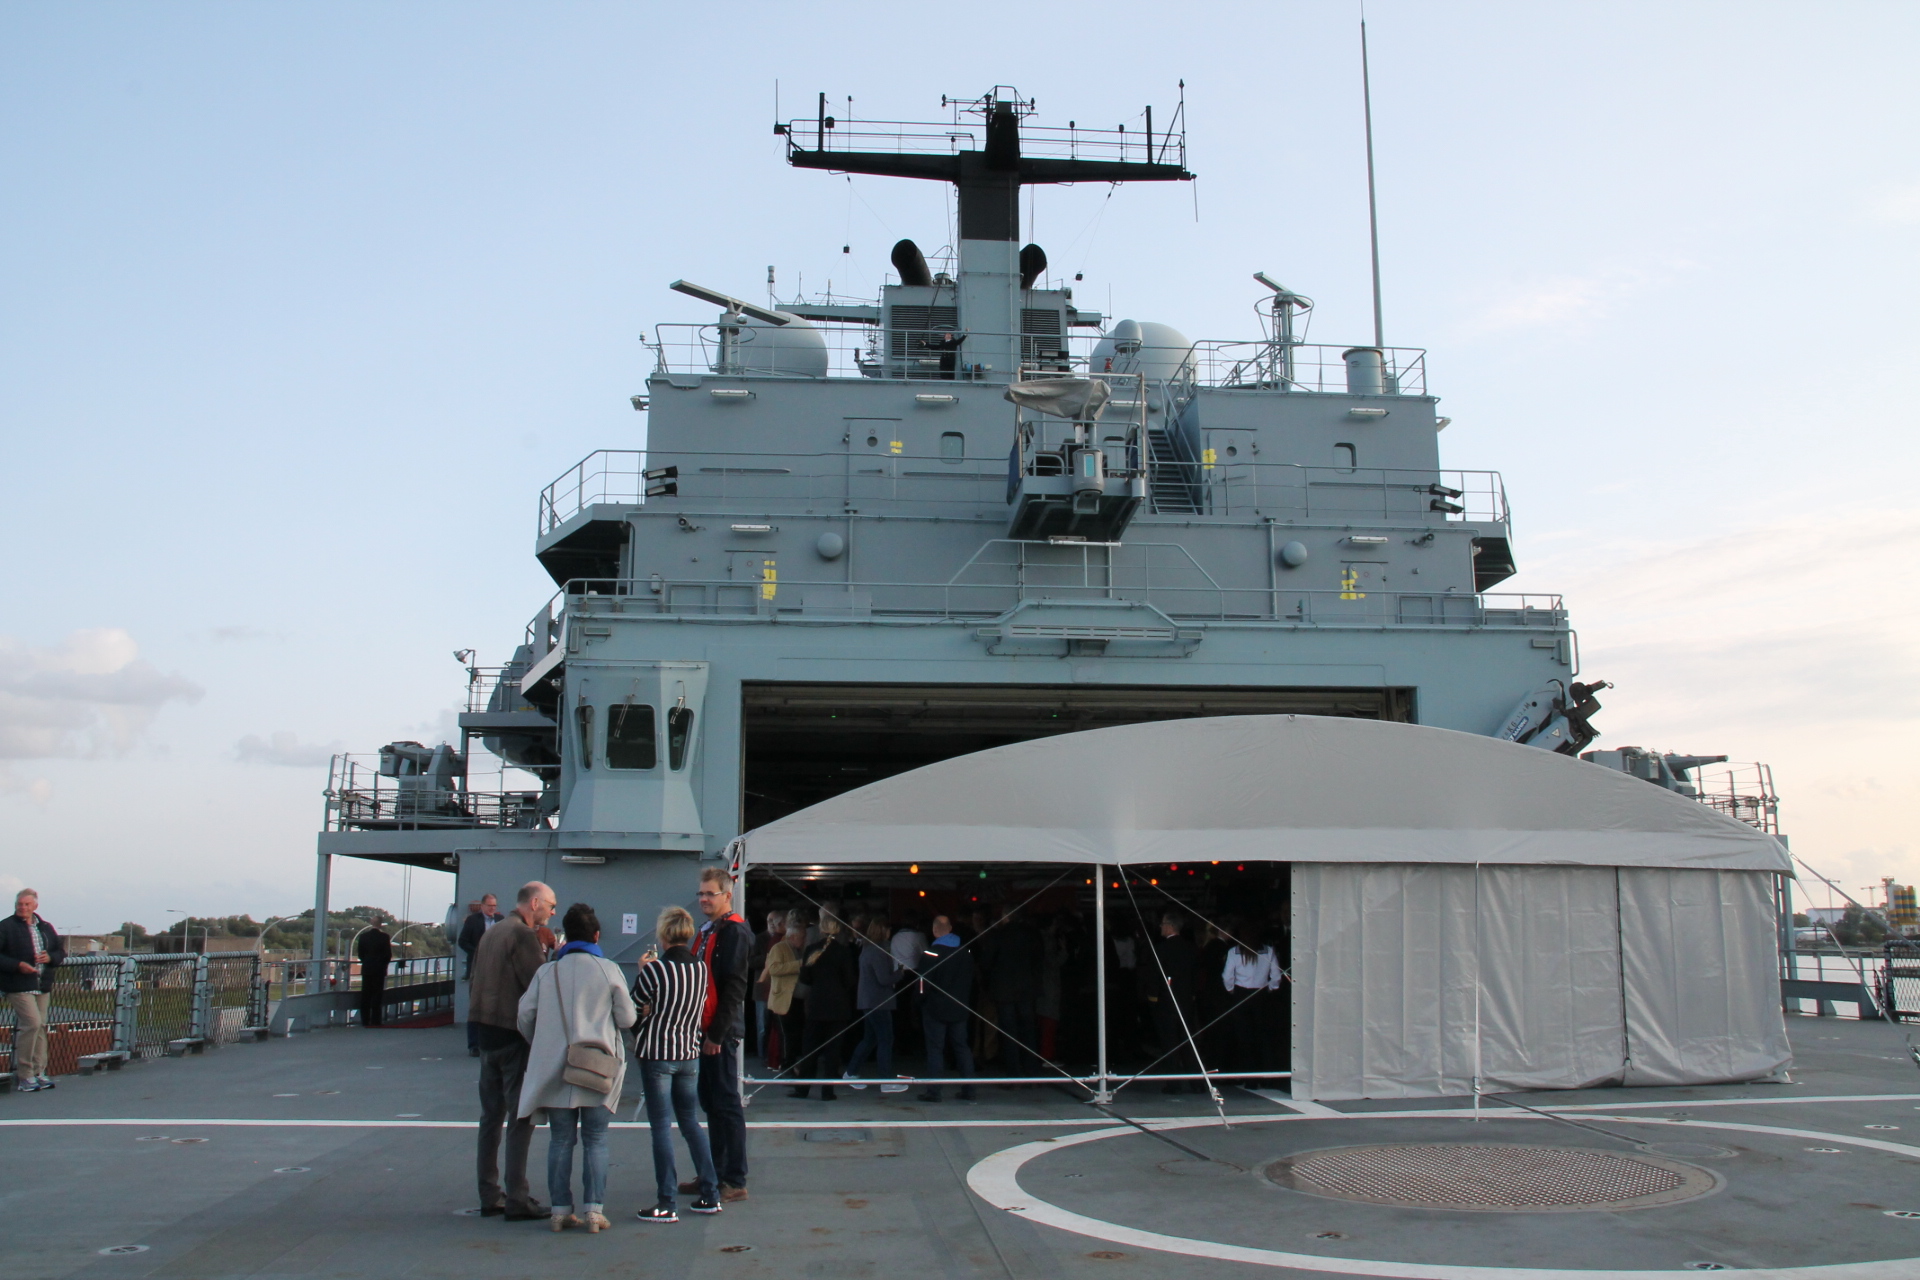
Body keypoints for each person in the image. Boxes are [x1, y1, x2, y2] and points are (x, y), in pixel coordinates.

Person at [516, 902, 635, 1234]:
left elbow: (524, 1015)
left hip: (556, 1068)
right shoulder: (608, 969)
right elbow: (627, 1018)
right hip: (596, 1067)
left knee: (560, 1140)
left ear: (566, 936)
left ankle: (559, 1210)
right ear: (596, 935)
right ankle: (594, 1211)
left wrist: (541, 1041)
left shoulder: (547, 972)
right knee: (596, 1139)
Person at [468, 880, 555, 1220]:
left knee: (490, 1118)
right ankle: (518, 1197)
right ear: (534, 903)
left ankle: (489, 1193)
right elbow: (538, 985)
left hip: (485, 1032)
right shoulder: (522, 935)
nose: (552, 911)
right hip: (511, 1035)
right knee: (521, 1117)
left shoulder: (492, 932)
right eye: (550, 905)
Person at [631, 905, 722, 1223]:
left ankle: (666, 1202)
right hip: (689, 1053)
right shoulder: (700, 969)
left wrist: (642, 973)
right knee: (690, 1123)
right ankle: (710, 1193)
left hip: (657, 1053)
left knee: (660, 1127)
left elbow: (633, 1007)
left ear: (664, 934)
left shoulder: (655, 970)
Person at [690, 867, 753, 1203]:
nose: (703, 899)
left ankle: (733, 1178)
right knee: (713, 1102)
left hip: (718, 1032)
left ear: (727, 895)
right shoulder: (712, 930)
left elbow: (734, 988)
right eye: (701, 893)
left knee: (726, 1103)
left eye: (709, 893)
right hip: (707, 1028)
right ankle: (714, 1172)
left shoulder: (733, 932)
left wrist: (716, 1034)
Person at [1, 889, 64, 1093]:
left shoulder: (45, 927)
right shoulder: (6, 927)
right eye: (20, 904)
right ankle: (25, 1074)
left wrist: (50, 958)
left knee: (41, 1026)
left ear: (35, 906)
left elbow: (60, 951)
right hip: (18, 984)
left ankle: (39, 1071)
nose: (22, 907)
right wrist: (17, 965)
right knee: (32, 1024)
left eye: (27, 904)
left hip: (41, 984)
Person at [792, 911, 858, 1100]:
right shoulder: (844, 951)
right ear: (838, 930)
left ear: (821, 929)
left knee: (810, 1048)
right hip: (838, 1006)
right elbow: (850, 980)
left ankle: (802, 1089)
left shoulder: (811, 949)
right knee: (833, 1051)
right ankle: (828, 1091)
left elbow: (805, 978)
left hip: (815, 1004)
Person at [841, 918, 908, 1093]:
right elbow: (884, 979)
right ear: (883, 931)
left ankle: (851, 1072)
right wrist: (900, 973)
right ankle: (885, 1081)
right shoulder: (878, 951)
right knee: (886, 1039)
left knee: (870, 1039)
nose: (890, 932)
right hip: (879, 1002)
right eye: (888, 929)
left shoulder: (867, 948)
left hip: (869, 1001)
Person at [978, 906, 1044, 1082]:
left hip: (1004, 990)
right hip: (1027, 989)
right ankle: (1032, 1072)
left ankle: (1013, 1074)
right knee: (1029, 1031)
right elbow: (1040, 959)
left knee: (1009, 1032)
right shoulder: (1032, 934)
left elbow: (986, 962)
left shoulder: (998, 935)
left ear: (1005, 915)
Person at [916, 915, 976, 1103]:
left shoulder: (931, 953)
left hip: (935, 1009)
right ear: (950, 929)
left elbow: (922, 984)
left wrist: (918, 1002)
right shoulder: (965, 952)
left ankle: (934, 1092)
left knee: (935, 1049)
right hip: (960, 1007)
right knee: (962, 1048)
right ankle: (969, 1090)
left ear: (934, 931)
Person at [1145, 910, 1202, 1094]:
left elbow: (1154, 976)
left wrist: (1153, 998)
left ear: (1169, 926)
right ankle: (1196, 1083)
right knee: (1188, 1042)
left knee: (1169, 1043)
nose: (1161, 927)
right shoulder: (1191, 948)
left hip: (1166, 1001)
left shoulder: (1160, 949)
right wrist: (1192, 995)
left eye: (1162, 924)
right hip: (1186, 1001)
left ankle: (1174, 1083)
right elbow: (1196, 976)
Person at [1221, 920, 1284, 1081]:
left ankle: (1248, 1076)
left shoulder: (1234, 952)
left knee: (1244, 1037)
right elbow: (1276, 976)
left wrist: (1231, 990)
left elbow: (1227, 976)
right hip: (1261, 996)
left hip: (1241, 995)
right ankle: (1267, 1076)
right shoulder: (1268, 951)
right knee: (1262, 1036)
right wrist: (1271, 988)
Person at [761, 909, 805, 1080]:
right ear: (792, 937)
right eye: (801, 938)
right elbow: (773, 969)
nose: (803, 941)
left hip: (796, 997)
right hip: (782, 999)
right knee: (786, 1035)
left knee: (795, 1034)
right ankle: (786, 1065)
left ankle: (793, 1063)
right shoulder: (779, 947)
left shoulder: (798, 949)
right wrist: (797, 965)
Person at [460, 894, 503, 1056]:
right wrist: (477, 952)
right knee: (476, 1005)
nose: (492, 909)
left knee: (496, 1004)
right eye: (490, 906)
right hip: (478, 967)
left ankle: (493, 1042)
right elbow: (462, 941)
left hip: (496, 967)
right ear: (483, 906)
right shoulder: (473, 921)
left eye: (494, 906)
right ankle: (474, 1044)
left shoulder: (500, 920)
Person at [749, 910, 783, 1063]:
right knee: (762, 1025)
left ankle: (776, 1055)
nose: (772, 924)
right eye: (770, 921)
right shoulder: (759, 939)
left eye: (775, 921)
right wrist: (770, 958)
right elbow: (751, 962)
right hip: (762, 988)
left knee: (776, 1025)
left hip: (778, 988)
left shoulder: (783, 938)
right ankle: (762, 1054)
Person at [355, 922, 392, 1028]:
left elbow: (360, 954)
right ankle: (376, 1020)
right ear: (380, 924)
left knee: (366, 994)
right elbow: (388, 954)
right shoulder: (384, 937)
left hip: (367, 968)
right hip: (379, 969)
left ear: (372, 924)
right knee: (377, 994)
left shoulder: (363, 936)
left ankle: (365, 1020)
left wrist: (366, 962)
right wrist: (383, 965)